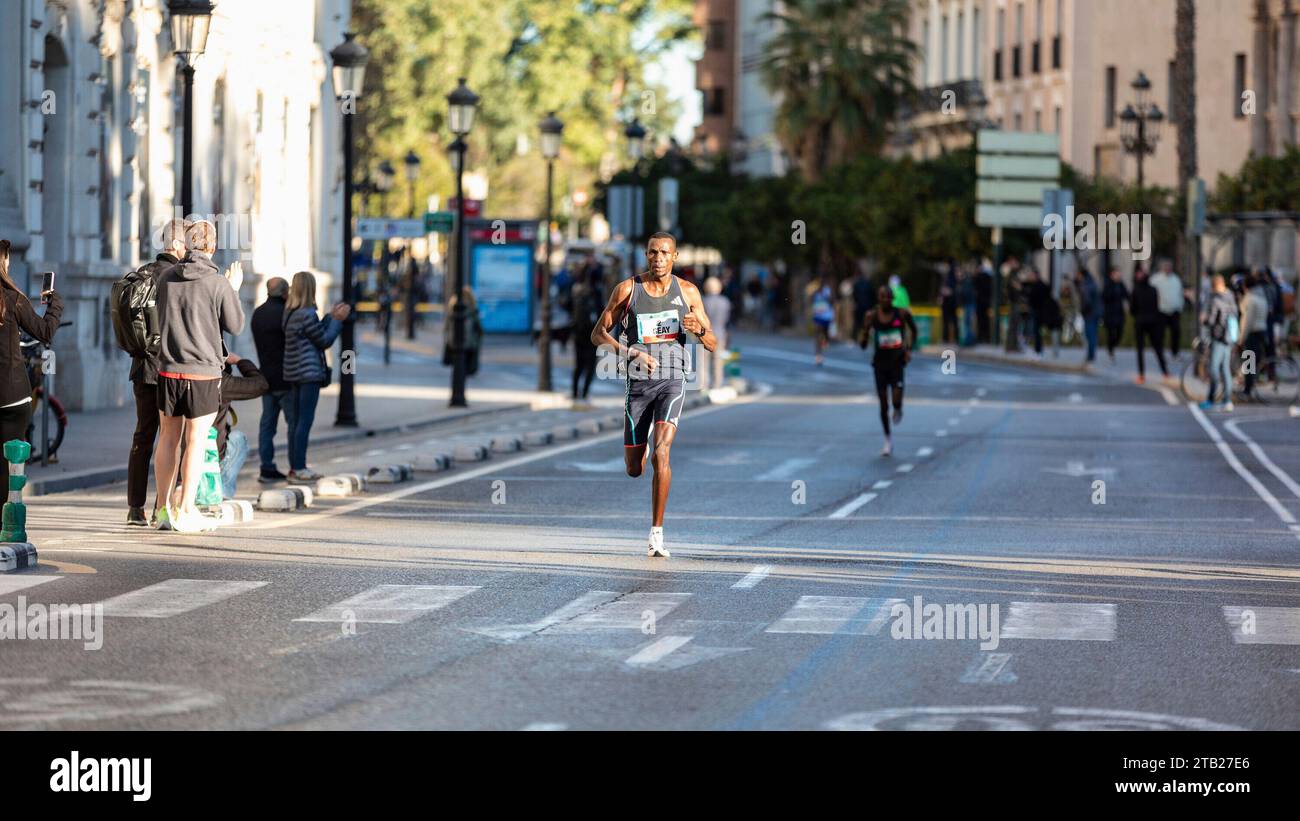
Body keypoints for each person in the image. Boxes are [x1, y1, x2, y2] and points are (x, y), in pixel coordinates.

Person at [590, 232, 717, 559]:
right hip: (639, 385)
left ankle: (656, 534)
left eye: (664, 253)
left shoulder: (687, 292)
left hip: (673, 380)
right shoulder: (627, 290)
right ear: (646, 256)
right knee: (635, 467)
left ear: (674, 257)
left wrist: (698, 330)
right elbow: (597, 334)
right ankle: (640, 450)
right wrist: (630, 353)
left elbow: (713, 343)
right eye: (652, 253)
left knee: (663, 452)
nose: (657, 258)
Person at [153, 220, 245, 533]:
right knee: (195, 441)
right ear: (213, 247)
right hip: (203, 372)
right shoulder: (218, 282)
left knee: (167, 438)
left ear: (188, 245)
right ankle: (187, 508)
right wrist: (232, 291)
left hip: (168, 368)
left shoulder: (166, 277)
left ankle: (162, 509)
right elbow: (235, 325)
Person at [124, 219, 187, 525]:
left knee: (143, 435)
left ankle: (135, 507)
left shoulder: (141, 274)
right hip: (170, 367)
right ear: (176, 245)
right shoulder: (178, 277)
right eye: (186, 242)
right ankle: (162, 504)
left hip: (142, 368)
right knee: (171, 437)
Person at [281, 271, 350, 484]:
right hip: (308, 373)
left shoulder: (290, 313)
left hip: (292, 372)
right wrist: (337, 322)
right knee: (304, 421)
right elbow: (324, 340)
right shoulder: (307, 313)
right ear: (311, 289)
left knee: (295, 422)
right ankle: (300, 467)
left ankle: (295, 467)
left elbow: (314, 331)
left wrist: (329, 316)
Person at [0, 240, 63, 445]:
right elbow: (45, 332)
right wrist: (55, 305)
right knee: (12, 464)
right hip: (13, 395)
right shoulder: (13, 299)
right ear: (4, 261)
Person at [859, 285, 917, 457]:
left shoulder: (902, 314)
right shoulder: (871, 316)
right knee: (883, 404)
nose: (885, 300)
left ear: (892, 298)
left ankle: (898, 408)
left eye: (888, 297)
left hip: (897, 362)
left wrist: (908, 350)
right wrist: (864, 334)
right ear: (878, 298)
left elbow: (913, 330)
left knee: (896, 400)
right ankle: (888, 439)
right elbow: (862, 343)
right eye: (882, 297)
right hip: (879, 364)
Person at [251, 277, 294, 483]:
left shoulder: (258, 313)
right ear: (285, 292)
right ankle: (296, 466)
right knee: (293, 424)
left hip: (266, 377)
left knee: (267, 425)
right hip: (286, 378)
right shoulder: (287, 313)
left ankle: (266, 466)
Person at [214, 351, 269, 498]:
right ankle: (222, 491)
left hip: (181, 453)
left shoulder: (173, 377)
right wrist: (240, 361)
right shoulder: (220, 380)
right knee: (239, 439)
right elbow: (260, 384)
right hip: (209, 454)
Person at [1198, 273, 1238, 412]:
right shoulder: (1231, 297)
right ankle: (1227, 400)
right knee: (1225, 369)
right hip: (1229, 337)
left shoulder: (1216, 299)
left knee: (1214, 368)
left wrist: (1204, 319)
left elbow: (1212, 320)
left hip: (1219, 337)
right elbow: (1235, 315)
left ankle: (1211, 398)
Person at [1130, 266, 1169, 384]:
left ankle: (1141, 375)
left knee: (1140, 350)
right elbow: (1157, 306)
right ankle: (1165, 372)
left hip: (1140, 322)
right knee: (1158, 348)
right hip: (1153, 322)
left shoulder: (1136, 291)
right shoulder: (1153, 290)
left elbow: (1132, 309)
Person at [569, 277, 602, 407]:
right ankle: (584, 393)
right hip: (591, 338)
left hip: (579, 336)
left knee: (579, 366)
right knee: (590, 367)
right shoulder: (596, 298)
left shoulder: (578, 297)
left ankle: (575, 392)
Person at [1241, 269, 1271, 399]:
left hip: (1252, 333)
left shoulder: (1250, 299)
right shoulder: (1262, 296)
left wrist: (1241, 337)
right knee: (1254, 362)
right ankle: (1250, 387)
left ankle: (1247, 391)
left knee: (1249, 363)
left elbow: (1247, 320)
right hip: (1262, 331)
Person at [442, 286, 483, 377]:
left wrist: (447, 335)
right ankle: (464, 373)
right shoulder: (473, 309)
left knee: (457, 358)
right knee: (466, 357)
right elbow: (478, 326)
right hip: (469, 341)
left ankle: (458, 373)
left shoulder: (453, 307)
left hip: (454, 340)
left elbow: (447, 326)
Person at [700, 276, 732, 391]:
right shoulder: (725, 302)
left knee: (703, 362)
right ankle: (717, 384)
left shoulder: (702, 301)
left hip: (704, 335)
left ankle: (703, 385)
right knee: (717, 361)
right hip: (720, 333)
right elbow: (728, 320)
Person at [1150, 260, 1185, 359]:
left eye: (1169, 267)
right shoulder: (1156, 279)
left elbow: (1180, 293)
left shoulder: (1175, 279)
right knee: (1160, 333)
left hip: (1174, 311)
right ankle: (1159, 351)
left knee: (1176, 332)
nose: (1168, 269)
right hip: (1161, 311)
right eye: (1166, 267)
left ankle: (1175, 352)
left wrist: (1180, 306)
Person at [1101, 268, 1129, 363]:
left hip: (1119, 313)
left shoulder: (1121, 284)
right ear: (1112, 275)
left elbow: (1127, 295)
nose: (1118, 276)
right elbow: (1104, 296)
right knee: (1110, 334)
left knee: (1119, 333)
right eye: (1116, 274)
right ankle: (1110, 351)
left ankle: (1113, 346)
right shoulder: (1108, 284)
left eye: (1119, 274)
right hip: (1110, 314)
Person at [1076, 268, 1102, 364]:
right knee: (1092, 334)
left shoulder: (1085, 285)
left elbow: (1087, 301)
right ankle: (1091, 355)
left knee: (1089, 334)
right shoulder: (1092, 283)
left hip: (1089, 313)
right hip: (1094, 312)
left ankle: (1090, 356)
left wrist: (1084, 310)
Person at [808, 276, 835, 365]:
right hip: (818, 316)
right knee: (817, 335)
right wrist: (815, 293)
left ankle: (825, 341)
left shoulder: (827, 291)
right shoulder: (814, 291)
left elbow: (832, 301)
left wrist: (827, 297)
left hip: (826, 316)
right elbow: (810, 300)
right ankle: (818, 355)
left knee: (825, 334)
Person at [851, 269, 875, 344]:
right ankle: (868, 339)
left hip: (859, 306)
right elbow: (873, 295)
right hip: (868, 306)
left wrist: (855, 303)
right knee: (868, 323)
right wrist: (872, 306)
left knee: (857, 323)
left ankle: (854, 338)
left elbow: (854, 295)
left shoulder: (856, 284)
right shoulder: (869, 284)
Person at [974, 260, 993, 344]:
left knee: (981, 320)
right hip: (985, 302)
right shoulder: (988, 277)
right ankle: (986, 337)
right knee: (985, 320)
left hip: (981, 302)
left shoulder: (978, 277)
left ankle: (981, 337)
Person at [940, 260, 958, 345]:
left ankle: (946, 339)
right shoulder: (952, 275)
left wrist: (944, 292)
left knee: (948, 321)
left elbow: (949, 290)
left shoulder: (950, 276)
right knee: (952, 321)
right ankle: (953, 338)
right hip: (951, 303)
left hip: (949, 303)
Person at [959, 264, 977, 346]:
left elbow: (966, 293)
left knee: (968, 323)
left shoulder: (966, 281)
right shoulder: (966, 281)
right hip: (968, 303)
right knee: (967, 323)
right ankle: (969, 339)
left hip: (968, 303)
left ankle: (969, 340)